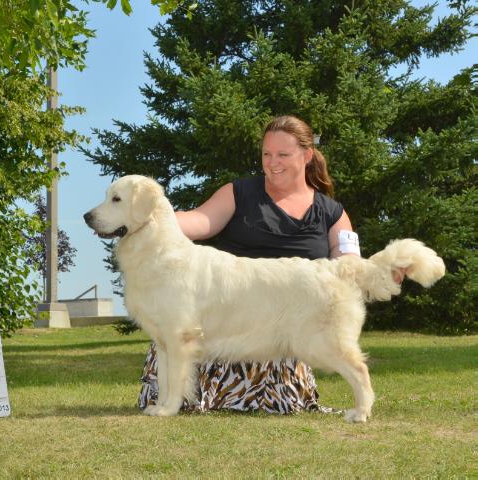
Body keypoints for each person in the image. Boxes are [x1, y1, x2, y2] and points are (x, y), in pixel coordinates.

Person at [138, 114, 358, 414]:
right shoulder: (238, 192)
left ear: (307, 156)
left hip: (283, 327)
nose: (272, 162)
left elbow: (347, 262)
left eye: (282, 154)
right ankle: (182, 391)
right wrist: (156, 215)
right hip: (223, 319)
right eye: (266, 154)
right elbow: (201, 221)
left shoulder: (332, 213)